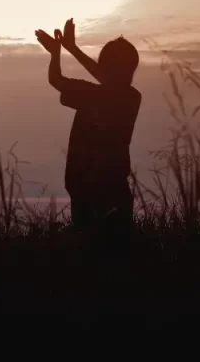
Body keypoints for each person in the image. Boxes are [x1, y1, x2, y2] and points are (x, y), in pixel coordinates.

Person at [35, 19, 141, 240]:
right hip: (115, 189)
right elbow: (106, 78)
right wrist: (71, 48)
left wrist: (57, 54)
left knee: (88, 248)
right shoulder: (131, 98)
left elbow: (56, 80)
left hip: (84, 187)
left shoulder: (91, 95)